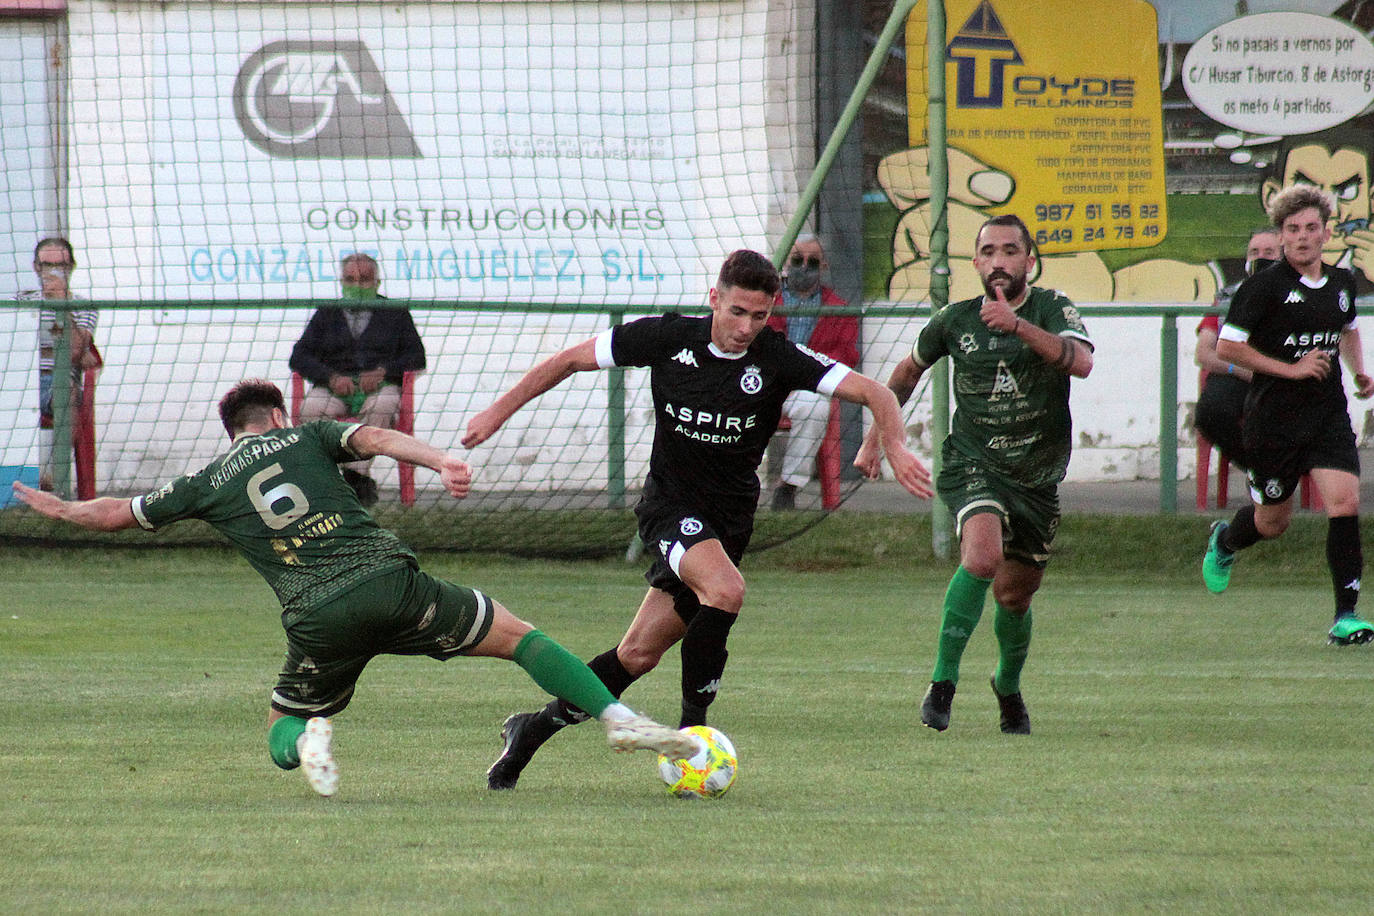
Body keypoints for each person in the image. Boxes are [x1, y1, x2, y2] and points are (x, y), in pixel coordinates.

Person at [11, 378, 697, 798]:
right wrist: (440, 460)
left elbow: (112, 514)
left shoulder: (207, 482)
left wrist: (60, 509)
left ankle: (309, 742)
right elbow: (372, 438)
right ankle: (617, 719)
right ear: (277, 417)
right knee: (521, 637)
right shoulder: (307, 435)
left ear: (231, 433)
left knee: (286, 717)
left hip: (316, 617)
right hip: (391, 585)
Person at [463, 249, 931, 789]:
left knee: (636, 655)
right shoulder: (669, 338)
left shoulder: (776, 356)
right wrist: (496, 413)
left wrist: (890, 443)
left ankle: (530, 732)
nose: (745, 328)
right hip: (669, 509)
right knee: (727, 591)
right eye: (736, 312)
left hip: (728, 524)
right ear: (714, 298)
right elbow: (567, 360)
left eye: (759, 316)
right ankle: (695, 736)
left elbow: (874, 391)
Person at [856, 214, 1094, 735]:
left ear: (1031, 260)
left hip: (1036, 474)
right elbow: (907, 371)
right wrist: (879, 435)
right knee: (982, 557)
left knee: (1015, 596)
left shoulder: (1053, 308)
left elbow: (1080, 363)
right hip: (974, 463)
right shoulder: (954, 320)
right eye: (988, 252)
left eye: (1010, 251)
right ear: (977, 263)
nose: (999, 261)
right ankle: (943, 682)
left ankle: (1007, 685)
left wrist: (1020, 327)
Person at [1202, 185, 1374, 646]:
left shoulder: (1341, 282)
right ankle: (1225, 542)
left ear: (1326, 232)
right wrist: (1292, 369)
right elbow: (1228, 346)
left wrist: (1360, 372)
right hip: (1273, 421)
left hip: (1327, 416)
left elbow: (1349, 330)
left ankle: (1346, 616)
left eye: (1311, 228)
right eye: (1292, 229)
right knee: (1271, 523)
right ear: (1281, 236)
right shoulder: (1262, 288)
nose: (1302, 237)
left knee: (1345, 503)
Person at [288, 253, 426, 506]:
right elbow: (299, 356)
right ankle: (341, 479)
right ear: (342, 282)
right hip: (335, 387)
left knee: (381, 407)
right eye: (350, 280)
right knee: (310, 410)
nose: (357, 285)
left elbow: (416, 357)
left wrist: (384, 372)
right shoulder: (327, 313)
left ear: (377, 283)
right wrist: (330, 378)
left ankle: (354, 476)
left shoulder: (396, 312)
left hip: (380, 387)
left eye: (364, 280)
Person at [766, 234, 861, 510]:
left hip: (808, 385)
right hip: (766, 382)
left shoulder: (840, 309)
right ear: (785, 262)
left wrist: (807, 371)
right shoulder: (765, 302)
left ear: (824, 266)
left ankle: (788, 486)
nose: (804, 267)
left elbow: (846, 356)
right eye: (797, 260)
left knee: (817, 408)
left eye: (812, 261)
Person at [18, 237, 101, 491]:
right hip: (16, 377)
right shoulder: (19, 302)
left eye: (60, 266)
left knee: (67, 391)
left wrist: (61, 305)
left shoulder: (83, 306)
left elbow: (76, 353)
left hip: (55, 379)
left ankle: (57, 488)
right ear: (36, 267)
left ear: (71, 268)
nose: (52, 272)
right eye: (46, 265)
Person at [1194, 228, 1281, 467]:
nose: (1260, 257)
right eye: (1254, 252)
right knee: (1210, 413)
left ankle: (1292, 470)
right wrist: (1239, 369)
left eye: (1269, 251)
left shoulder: (1301, 294)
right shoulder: (1225, 298)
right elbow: (1204, 352)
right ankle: (1261, 470)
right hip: (1235, 375)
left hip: (1283, 377)